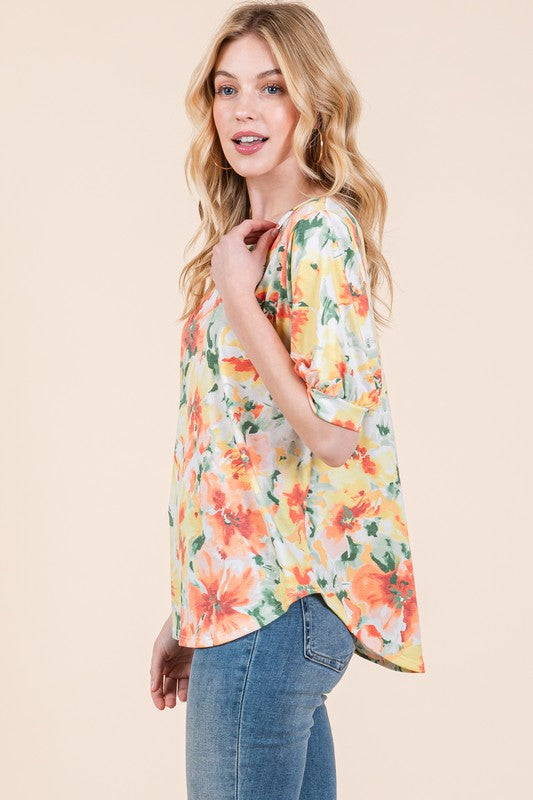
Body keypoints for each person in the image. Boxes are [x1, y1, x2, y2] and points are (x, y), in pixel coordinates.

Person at [150, 2, 426, 798]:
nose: (244, 109)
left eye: (271, 87)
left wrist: (241, 299)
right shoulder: (246, 244)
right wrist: (193, 605)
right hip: (248, 604)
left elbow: (333, 435)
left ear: (312, 101)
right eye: (226, 88)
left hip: (275, 612)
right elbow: (236, 445)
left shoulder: (317, 233)